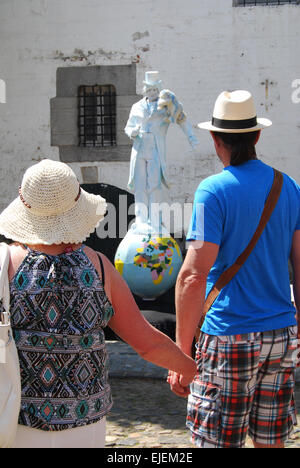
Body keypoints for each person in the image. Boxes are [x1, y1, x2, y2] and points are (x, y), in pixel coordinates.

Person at [0, 159, 197, 449]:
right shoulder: (99, 267)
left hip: (15, 420)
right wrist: (189, 369)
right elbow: (146, 343)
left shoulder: (5, 265)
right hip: (85, 425)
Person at [168, 90, 300, 449]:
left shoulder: (213, 191)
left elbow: (193, 276)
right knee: (271, 441)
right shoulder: (289, 187)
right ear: (257, 135)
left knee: (217, 442)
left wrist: (180, 356)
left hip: (230, 335)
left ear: (214, 138)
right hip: (281, 333)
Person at [125, 71, 198, 229]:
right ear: (145, 89)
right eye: (149, 90)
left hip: (155, 149)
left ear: (159, 89)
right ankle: (141, 219)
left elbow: (181, 119)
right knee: (140, 184)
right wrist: (132, 132)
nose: (152, 93)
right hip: (139, 148)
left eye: (155, 90)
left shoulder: (165, 106)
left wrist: (191, 137)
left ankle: (155, 219)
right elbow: (128, 126)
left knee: (154, 184)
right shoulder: (137, 107)